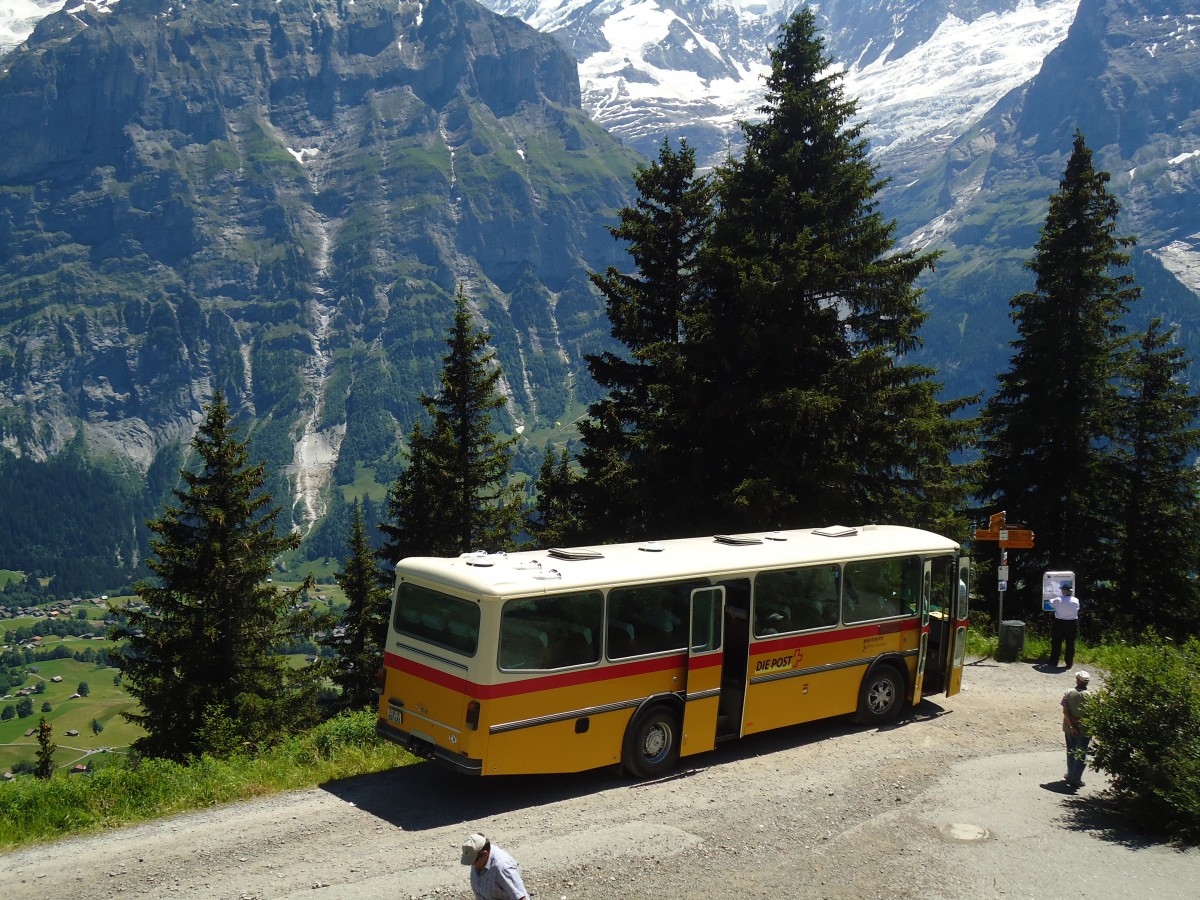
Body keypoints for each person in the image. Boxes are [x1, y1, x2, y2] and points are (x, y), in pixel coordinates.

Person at [461, 833, 528, 900]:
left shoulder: (503, 868)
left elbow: (521, 898)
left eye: (473, 861)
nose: (471, 865)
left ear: (485, 854)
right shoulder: (477, 853)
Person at [1061, 670, 1092, 788]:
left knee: (1071, 751)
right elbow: (1091, 713)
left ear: (1078, 681)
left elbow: (1065, 711)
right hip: (1084, 729)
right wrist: (1079, 722)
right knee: (1082, 753)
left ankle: (1070, 775)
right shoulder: (1091, 696)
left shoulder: (1068, 693)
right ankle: (1076, 778)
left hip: (1069, 727)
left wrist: (1072, 725)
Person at [1048, 583, 1080, 667]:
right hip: (1072, 623)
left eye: (1062, 589)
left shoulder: (1058, 599)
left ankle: (1054, 661)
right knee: (1070, 643)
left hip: (1059, 623)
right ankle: (1069, 662)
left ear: (1064, 591)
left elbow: (1050, 603)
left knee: (1056, 643)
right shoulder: (1076, 600)